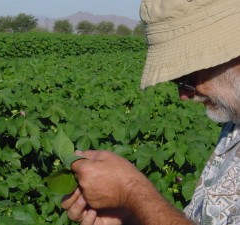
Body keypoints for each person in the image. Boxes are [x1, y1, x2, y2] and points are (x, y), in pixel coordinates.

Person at [62, 0, 240, 224]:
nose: (183, 95)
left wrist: (133, 192)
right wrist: (135, 215)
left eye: (187, 78)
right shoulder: (235, 119)